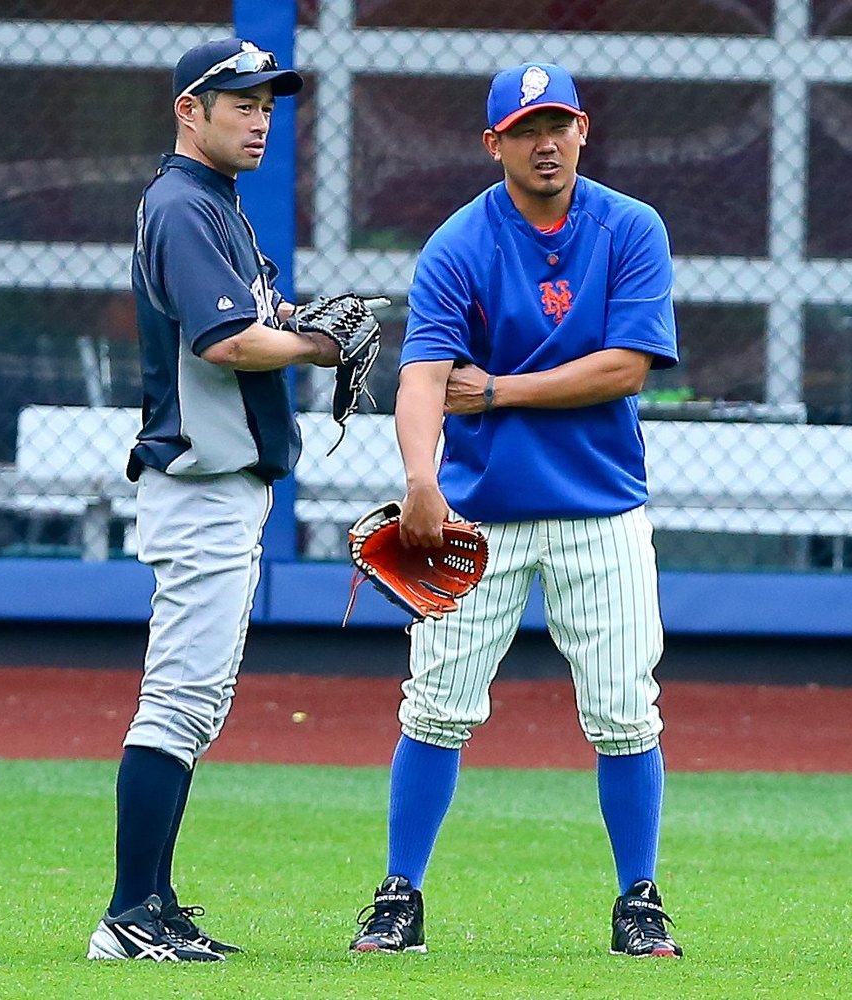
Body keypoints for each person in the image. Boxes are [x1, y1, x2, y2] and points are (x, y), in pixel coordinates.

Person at [347, 62, 684, 958]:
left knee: (625, 710)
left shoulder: (630, 227)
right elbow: (424, 376)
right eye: (526, 129)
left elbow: (627, 367)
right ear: (493, 142)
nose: (545, 143)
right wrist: (420, 479)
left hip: (600, 507)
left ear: (583, 131)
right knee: (435, 707)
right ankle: (399, 894)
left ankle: (640, 898)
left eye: (558, 125)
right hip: (481, 513)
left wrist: (497, 390)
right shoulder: (460, 242)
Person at [85, 38, 346, 963]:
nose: (261, 119)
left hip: (221, 485)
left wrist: (298, 323)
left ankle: (153, 904)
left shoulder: (215, 203)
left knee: (194, 702)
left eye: (268, 104)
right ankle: (128, 916)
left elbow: (250, 321)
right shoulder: (185, 204)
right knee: (179, 700)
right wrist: (316, 346)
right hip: (199, 485)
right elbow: (226, 341)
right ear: (188, 111)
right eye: (241, 103)